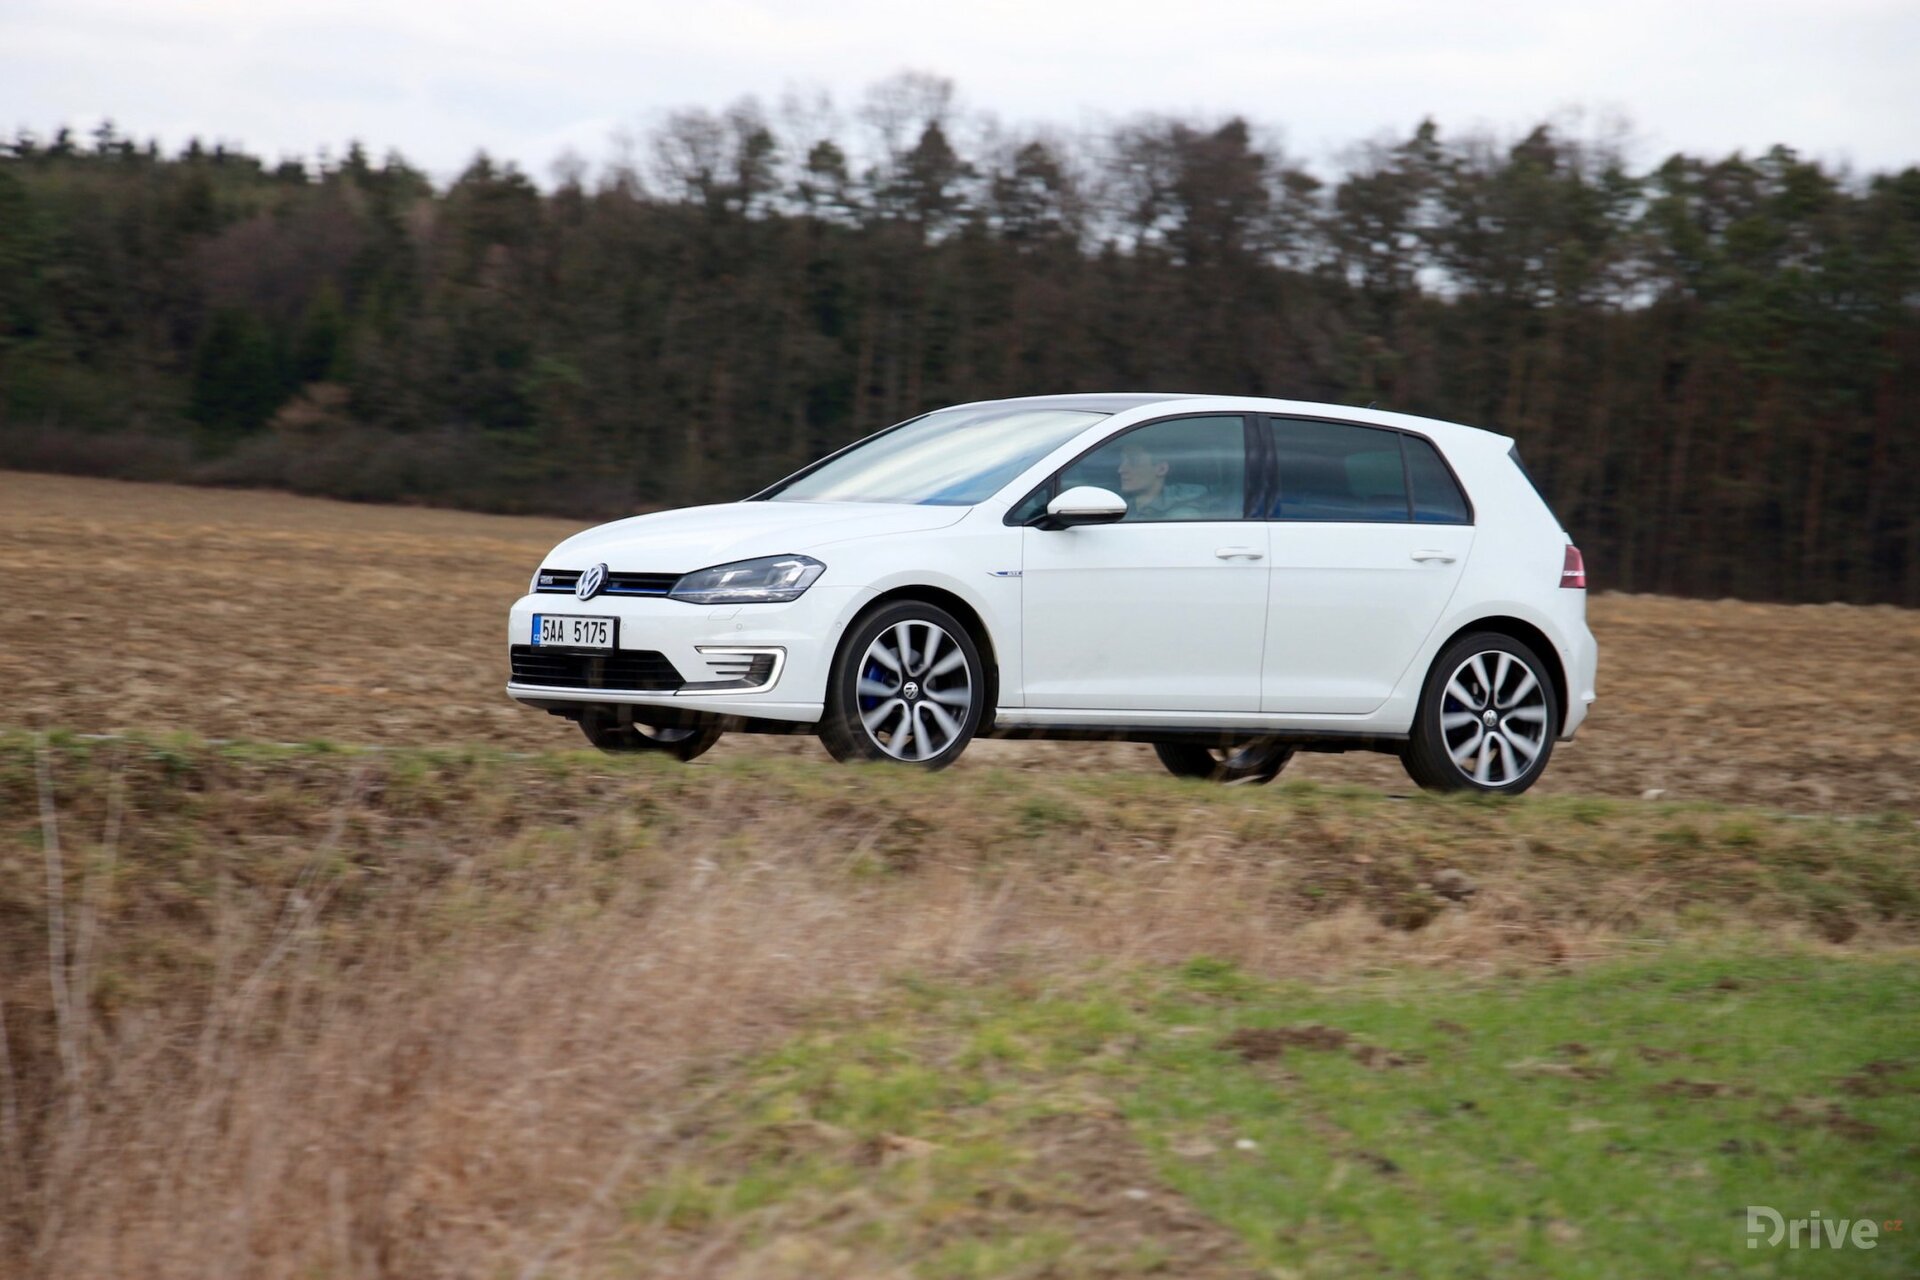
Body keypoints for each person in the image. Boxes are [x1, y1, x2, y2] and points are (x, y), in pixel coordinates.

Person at [1115, 438, 1209, 520]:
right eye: (1122, 461)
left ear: (1161, 469)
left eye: (1133, 462)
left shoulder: (1181, 516)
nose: (1121, 470)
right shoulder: (1119, 504)